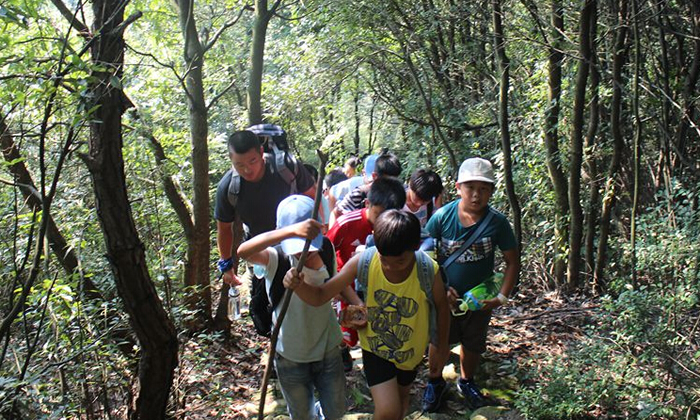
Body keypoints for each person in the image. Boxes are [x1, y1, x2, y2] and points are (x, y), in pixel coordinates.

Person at [284, 210, 450, 420]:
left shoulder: (427, 270)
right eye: (384, 259)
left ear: (415, 247)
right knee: (388, 409)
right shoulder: (365, 261)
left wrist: (441, 346)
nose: (390, 266)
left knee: (400, 404)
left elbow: (442, 308)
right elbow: (320, 296)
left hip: (410, 351)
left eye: (399, 261)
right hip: (376, 347)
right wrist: (297, 286)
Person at [237, 195, 350, 420]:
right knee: (301, 415)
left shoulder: (326, 249)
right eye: (297, 247)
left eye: (308, 245)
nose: (304, 252)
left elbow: (333, 286)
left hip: (327, 348)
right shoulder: (276, 258)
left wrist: (355, 305)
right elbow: (243, 252)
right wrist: (289, 232)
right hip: (290, 355)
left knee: (336, 411)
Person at [421, 157, 520, 412]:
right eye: (470, 188)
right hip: (445, 298)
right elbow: (425, 258)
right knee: (438, 339)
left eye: (484, 189)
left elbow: (512, 261)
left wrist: (500, 298)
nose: (477, 195)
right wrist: (440, 288)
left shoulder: (497, 223)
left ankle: (467, 381)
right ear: (458, 188)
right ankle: (434, 383)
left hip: (478, 300)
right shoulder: (442, 218)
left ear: (491, 191)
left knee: (473, 341)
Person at [326, 176, 407, 371]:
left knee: (376, 330)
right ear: (367, 203)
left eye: (388, 215)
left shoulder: (397, 228)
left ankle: (377, 366)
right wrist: (332, 283)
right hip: (347, 287)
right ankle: (343, 350)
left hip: (379, 288)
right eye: (378, 214)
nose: (383, 221)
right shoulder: (346, 224)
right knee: (348, 332)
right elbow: (325, 253)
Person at [333, 151, 402, 220]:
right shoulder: (359, 194)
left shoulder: (399, 196)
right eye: (387, 181)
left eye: (395, 181)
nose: (391, 185)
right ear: (374, 176)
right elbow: (336, 213)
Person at [327, 155, 377, 227]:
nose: (372, 182)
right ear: (363, 172)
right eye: (371, 179)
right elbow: (332, 192)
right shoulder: (352, 184)